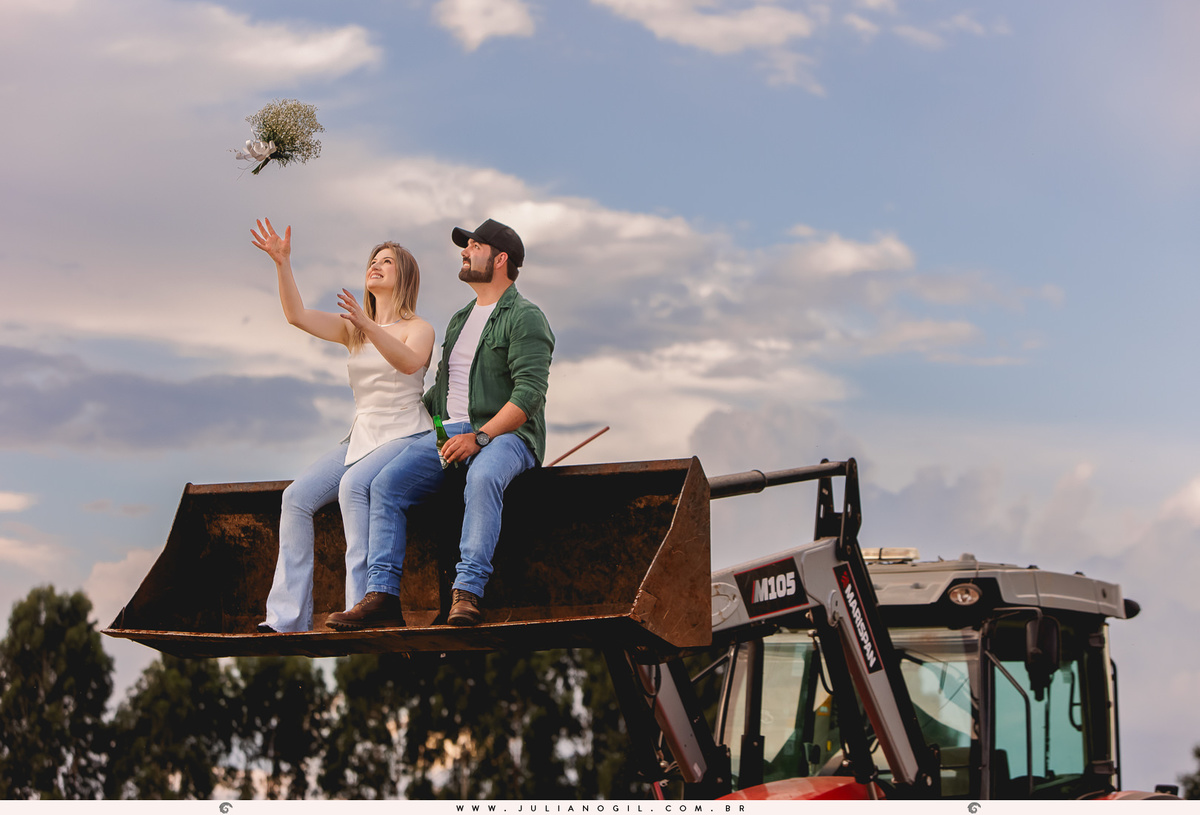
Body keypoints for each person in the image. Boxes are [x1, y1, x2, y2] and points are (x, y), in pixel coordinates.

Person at [326, 218, 554, 630]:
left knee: (483, 477)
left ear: (500, 259)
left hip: (505, 436)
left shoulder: (526, 317)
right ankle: (382, 597)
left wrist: (480, 437)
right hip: (448, 433)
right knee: (385, 485)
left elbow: (529, 395)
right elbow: (438, 395)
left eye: (475, 247)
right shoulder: (459, 320)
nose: (464, 253)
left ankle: (466, 594)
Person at [251, 218, 435, 633]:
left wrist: (368, 325)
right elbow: (296, 315)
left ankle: (360, 607)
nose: (376, 265)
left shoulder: (418, 328)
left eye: (387, 261)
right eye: (373, 259)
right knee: (295, 498)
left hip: (406, 433)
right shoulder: (354, 329)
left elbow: (409, 363)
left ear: (403, 277)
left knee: (354, 487)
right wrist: (282, 263)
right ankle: (286, 618)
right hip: (362, 435)